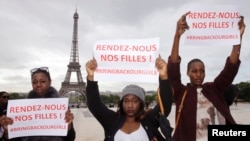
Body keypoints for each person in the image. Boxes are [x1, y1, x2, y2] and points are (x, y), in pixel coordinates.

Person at [167, 12, 245, 141]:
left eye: (202, 71)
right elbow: (173, 71)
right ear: (188, 73)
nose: (198, 75)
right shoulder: (182, 92)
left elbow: (230, 69)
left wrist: (238, 39)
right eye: (194, 71)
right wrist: (177, 37)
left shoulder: (213, 89)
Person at [85, 56, 173, 141]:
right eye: (126, 101)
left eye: (135, 101)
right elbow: (94, 104)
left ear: (141, 103)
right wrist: (91, 78)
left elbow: (165, 104)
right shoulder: (112, 121)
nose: (129, 105)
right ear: (121, 103)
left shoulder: (150, 121)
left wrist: (164, 76)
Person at [0, 67, 76, 141]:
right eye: (34, 82)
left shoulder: (61, 107)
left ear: (50, 82)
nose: (38, 84)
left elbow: (70, 138)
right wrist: (7, 131)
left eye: (42, 81)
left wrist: (68, 126)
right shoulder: (21, 109)